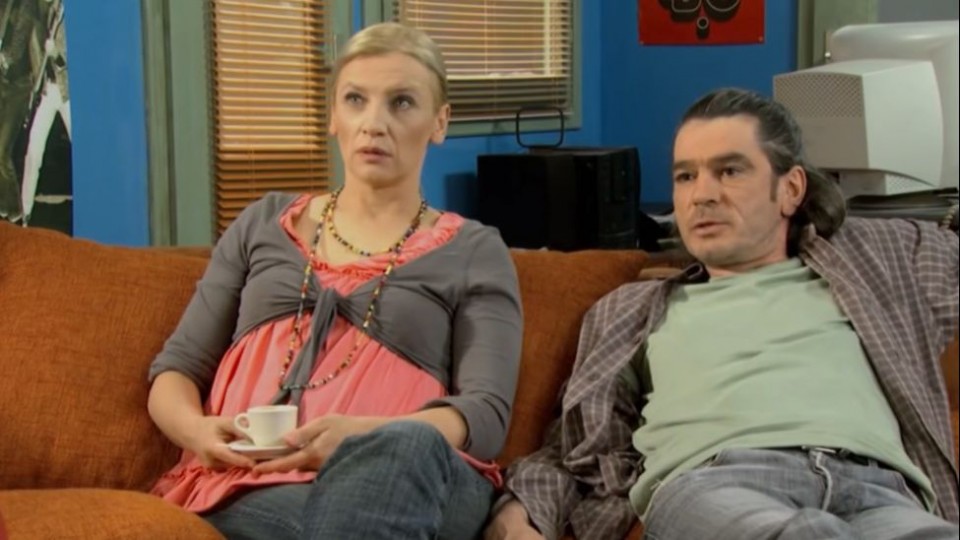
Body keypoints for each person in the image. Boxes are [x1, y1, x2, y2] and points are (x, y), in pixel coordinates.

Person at [486, 88, 959, 540]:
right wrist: (518, 511)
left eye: (729, 171)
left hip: (879, 491)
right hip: (721, 484)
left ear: (790, 189)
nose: (702, 195)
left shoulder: (875, 267)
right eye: (685, 176)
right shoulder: (632, 312)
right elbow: (573, 448)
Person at [147, 22, 523, 540]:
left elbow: (485, 413)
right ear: (333, 116)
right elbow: (176, 369)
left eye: (401, 103)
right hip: (254, 486)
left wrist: (363, 440)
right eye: (355, 100)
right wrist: (198, 432)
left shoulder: (476, 250)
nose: (374, 123)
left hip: (417, 479)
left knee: (405, 447)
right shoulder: (262, 223)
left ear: (440, 122)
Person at [20, 0, 70, 225]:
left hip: (67, 94)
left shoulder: (71, 20)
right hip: (50, 91)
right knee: (33, 150)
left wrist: (56, 54)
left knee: (81, 151)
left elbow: (76, 60)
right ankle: (26, 213)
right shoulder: (50, 12)